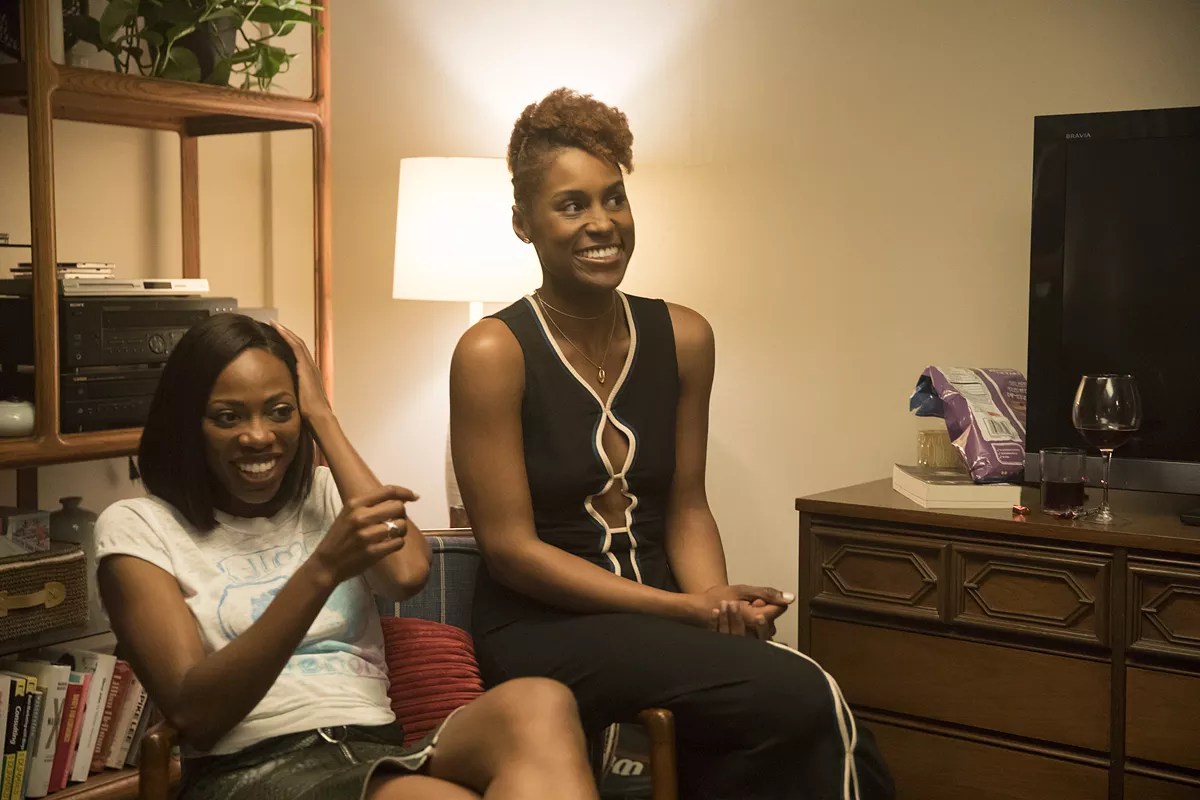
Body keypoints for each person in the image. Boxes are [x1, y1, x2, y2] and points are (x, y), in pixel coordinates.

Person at [449, 88, 894, 800]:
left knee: (795, 711)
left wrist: (717, 604)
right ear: (522, 224)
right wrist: (688, 611)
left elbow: (686, 506)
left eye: (615, 198)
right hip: (544, 631)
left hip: (662, 622)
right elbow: (511, 552)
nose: (603, 223)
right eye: (572, 205)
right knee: (805, 692)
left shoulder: (685, 336)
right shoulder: (492, 352)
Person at [95, 313, 600, 800]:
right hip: (248, 770)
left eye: (280, 411)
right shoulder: (140, 526)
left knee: (540, 703)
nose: (259, 436)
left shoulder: (326, 493)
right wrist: (322, 570)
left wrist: (323, 417)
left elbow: (406, 573)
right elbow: (196, 715)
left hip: (372, 748)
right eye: (228, 417)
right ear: (187, 424)